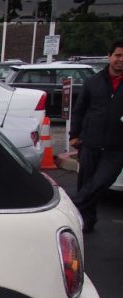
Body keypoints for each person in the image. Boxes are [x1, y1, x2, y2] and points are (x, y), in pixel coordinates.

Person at [69, 39, 123, 233]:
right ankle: (86, 222)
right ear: (109, 57)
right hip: (90, 142)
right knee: (86, 182)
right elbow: (79, 109)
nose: (120, 60)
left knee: (100, 182)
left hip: (116, 147)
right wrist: (74, 135)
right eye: (117, 55)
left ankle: (69, 208)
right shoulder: (93, 82)